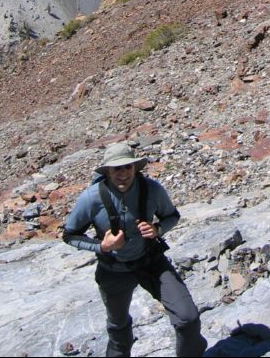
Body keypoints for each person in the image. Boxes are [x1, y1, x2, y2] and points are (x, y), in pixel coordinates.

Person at [63, 142, 207, 358]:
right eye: (116, 169)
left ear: (135, 168)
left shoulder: (152, 189)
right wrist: (103, 246)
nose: (123, 174)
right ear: (107, 171)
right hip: (113, 270)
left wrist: (157, 229)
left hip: (150, 262)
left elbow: (172, 216)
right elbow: (70, 235)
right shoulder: (92, 197)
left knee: (188, 317)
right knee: (118, 329)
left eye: (127, 167)